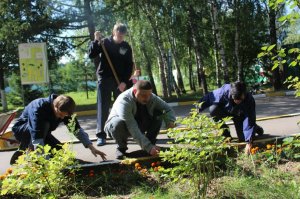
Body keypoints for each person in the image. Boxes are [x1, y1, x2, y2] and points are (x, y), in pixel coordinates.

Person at [10, 94, 107, 165]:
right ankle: (26, 150)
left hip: (44, 134)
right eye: (60, 115)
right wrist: (45, 162)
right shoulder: (39, 109)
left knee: (61, 154)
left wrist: (91, 147)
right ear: (54, 106)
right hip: (23, 131)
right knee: (45, 129)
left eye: (64, 116)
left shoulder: (66, 107)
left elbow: (76, 129)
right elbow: (37, 137)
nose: (61, 118)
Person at [88, 23, 137, 146]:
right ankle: (101, 135)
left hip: (120, 81)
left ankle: (120, 133)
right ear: (114, 32)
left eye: (122, 36)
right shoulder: (104, 42)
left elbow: (129, 66)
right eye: (119, 35)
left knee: (121, 107)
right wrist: (95, 41)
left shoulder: (126, 47)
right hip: (104, 79)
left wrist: (124, 82)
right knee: (103, 106)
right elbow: (91, 55)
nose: (120, 38)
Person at [104, 80, 176, 159]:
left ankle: (151, 143)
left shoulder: (151, 97)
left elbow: (168, 109)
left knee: (158, 113)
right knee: (117, 123)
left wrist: (170, 121)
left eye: (149, 94)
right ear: (135, 91)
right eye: (143, 95)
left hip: (138, 124)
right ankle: (121, 148)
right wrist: (148, 147)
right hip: (121, 127)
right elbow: (131, 125)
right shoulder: (124, 100)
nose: (147, 98)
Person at [198, 81, 264, 154]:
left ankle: (256, 128)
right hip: (226, 111)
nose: (237, 101)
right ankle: (226, 135)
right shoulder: (221, 93)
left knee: (243, 139)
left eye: (240, 99)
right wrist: (196, 110)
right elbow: (206, 99)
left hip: (240, 116)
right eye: (235, 99)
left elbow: (250, 118)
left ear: (244, 94)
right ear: (231, 94)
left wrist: (249, 142)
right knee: (213, 109)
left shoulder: (249, 99)